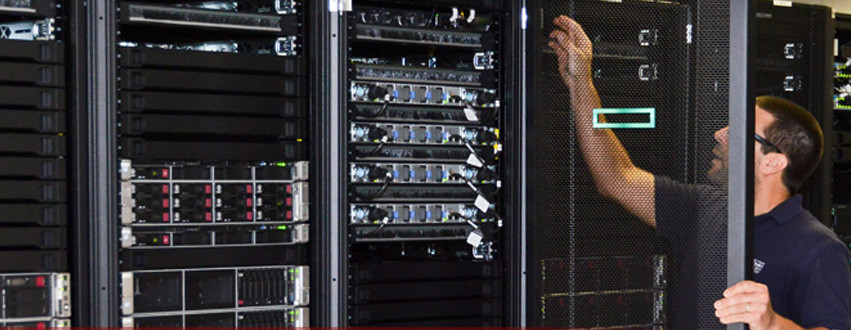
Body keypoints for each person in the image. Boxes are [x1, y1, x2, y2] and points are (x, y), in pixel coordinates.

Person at [548, 15, 851, 329]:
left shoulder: (818, 249)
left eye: (740, 130)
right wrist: (580, 82)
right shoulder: (705, 207)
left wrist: (774, 323)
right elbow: (615, 177)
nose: (720, 134)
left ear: (774, 162)